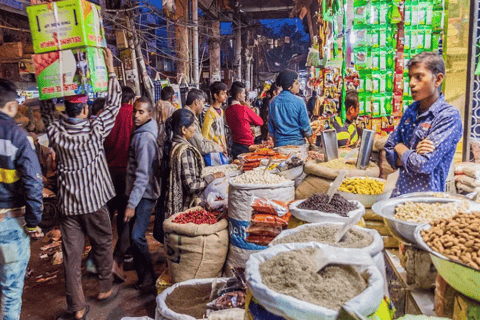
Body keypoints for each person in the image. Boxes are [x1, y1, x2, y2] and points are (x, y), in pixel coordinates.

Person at [40, 48, 121, 320]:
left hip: (68, 206)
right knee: (102, 243)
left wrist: (48, 69)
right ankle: (105, 288)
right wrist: (111, 69)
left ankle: (76, 308)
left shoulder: (55, 131)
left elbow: (47, 109)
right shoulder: (95, 129)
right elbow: (114, 104)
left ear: (67, 108)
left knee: (72, 257)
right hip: (95, 201)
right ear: (85, 109)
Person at [384, 52, 462, 197]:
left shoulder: (448, 116)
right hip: (399, 195)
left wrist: (400, 147)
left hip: (426, 203)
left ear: (437, 79)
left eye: (419, 77)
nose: (411, 83)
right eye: (410, 77)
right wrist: (409, 153)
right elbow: (388, 145)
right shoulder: (411, 111)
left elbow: (423, 164)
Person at [0, 79, 43, 320]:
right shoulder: (17, 137)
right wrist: (33, 223)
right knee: (11, 291)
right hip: (9, 222)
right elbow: (33, 182)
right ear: (12, 106)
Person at [123, 97, 160, 294]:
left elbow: (143, 174)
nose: (136, 115)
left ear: (149, 114)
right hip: (140, 193)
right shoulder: (141, 132)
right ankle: (143, 275)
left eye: (141, 112)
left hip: (144, 194)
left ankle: (148, 278)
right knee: (132, 235)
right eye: (135, 111)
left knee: (137, 236)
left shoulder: (145, 138)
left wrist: (131, 204)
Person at [164, 109, 225, 217]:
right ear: (184, 130)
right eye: (192, 125)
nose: (195, 128)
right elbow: (192, 185)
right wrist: (212, 176)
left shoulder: (172, 144)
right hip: (185, 206)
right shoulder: (185, 150)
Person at [103, 85, 135, 282]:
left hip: (108, 173)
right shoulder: (134, 115)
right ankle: (120, 257)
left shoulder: (108, 116)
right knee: (126, 215)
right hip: (127, 174)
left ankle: (98, 259)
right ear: (131, 100)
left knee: (108, 215)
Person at [268, 70, 314, 148]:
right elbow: (305, 127)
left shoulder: (273, 102)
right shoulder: (299, 101)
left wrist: (277, 145)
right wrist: (311, 144)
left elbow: (271, 129)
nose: (299, 85)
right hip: (297, 145)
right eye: (296, 83)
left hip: (279, 146)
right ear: (289, 86)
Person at [225, 82, 264, 160]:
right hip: (246, 145)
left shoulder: (227, 110)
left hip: (235, 143)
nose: (245, 95)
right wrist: (254, 111)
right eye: (243, 93)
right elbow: (260, 122)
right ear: (238, 95)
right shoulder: (244, 109)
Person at [183, 89, 223, 156]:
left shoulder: (190, 116)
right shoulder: (188, 119)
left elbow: (201, 139)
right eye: (203, 102)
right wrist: (219, 148)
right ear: (196, 102)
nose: (204, 107)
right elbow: (201, 147)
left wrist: (216, 145)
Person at [202, 81, 228, 155]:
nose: (225, 96)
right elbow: (205, 134)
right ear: (216, 96)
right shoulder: (210, 113)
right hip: (214, 151)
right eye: (223, 94)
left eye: (225, 93)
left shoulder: (221, 111)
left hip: (222, 149)